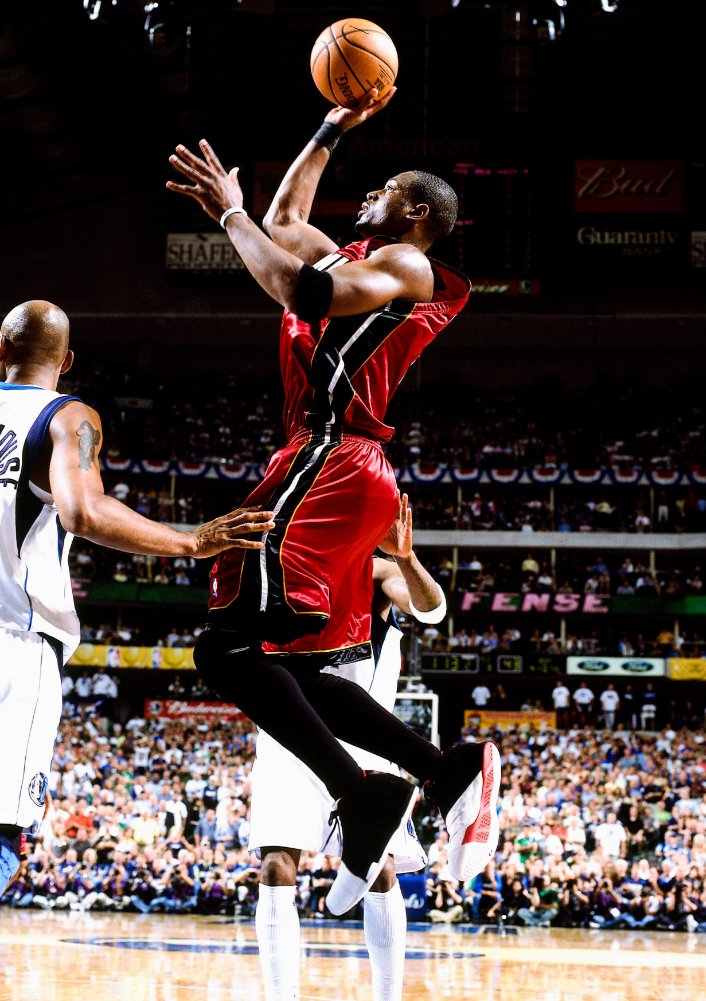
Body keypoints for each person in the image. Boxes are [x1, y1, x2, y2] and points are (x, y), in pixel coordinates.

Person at [168, 88, 498, 913]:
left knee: (225, 647)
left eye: (384, 189)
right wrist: (329, 129)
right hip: (333, 463)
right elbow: (284, 219)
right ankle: (441, 768)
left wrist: (229, 214)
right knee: (297, 668)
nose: (367, 194)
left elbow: (299, 291)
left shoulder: (408, 266)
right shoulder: (353, 255)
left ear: (416, 213)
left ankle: (360, 792)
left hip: (334, 454)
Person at [0, 300, 275, 897]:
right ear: (67, 361)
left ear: (1, 349)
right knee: (3, 834)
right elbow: (83, 512)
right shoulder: (66, 416)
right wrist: (192, 541)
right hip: (15, 642)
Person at [250, 503, 445, 1001]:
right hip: (287, 733)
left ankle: (387, 995)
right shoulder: (276, 570)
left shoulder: (376, 571)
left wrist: (406, 559)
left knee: (379, 870)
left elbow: (432, 609)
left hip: (360, 737)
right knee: (275, 865)